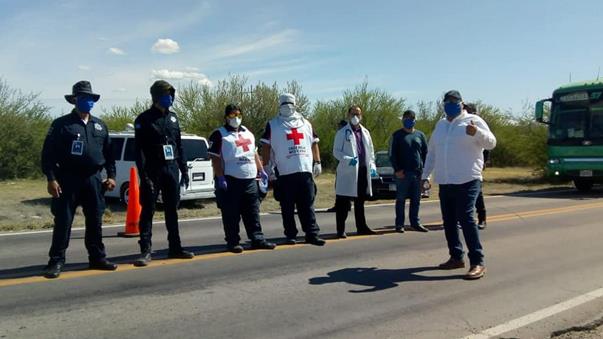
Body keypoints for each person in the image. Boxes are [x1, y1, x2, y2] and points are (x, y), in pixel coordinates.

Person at [41, 81, 118, 278]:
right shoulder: (61, 124)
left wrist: (111, 176)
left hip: (93, 179)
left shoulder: (100, 125)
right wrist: (51, 178)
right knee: (64, 221)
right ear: (75, 100)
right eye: (83, 98)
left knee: (95, 221)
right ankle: (56, 261)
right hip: (67, 179)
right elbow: (48, 154)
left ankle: (97, 258)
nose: (88, 102)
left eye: (90, 98)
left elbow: (110, 155)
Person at [422, 90, 496, 280]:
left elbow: (491, 143)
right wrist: (426, 176)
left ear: (461, 103)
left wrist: (477, 133)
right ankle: (456, 257)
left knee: (466, 218)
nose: (451, 104)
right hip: (446, 181)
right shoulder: (440, 126)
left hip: (468, 179)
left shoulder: (473, 120)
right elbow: (432, 153)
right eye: (447, 101)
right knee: (448, 220)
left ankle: (477, 262)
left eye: (455, 101)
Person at [133, 80, 194, 266]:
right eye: (167, 95)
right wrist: (143, 175)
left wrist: (183, 169)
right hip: (152, 169)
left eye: (172, 95)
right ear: (157, 97)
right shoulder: (143, 119)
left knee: (172, 210)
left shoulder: (174, 118)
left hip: (171, 168)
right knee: (148, 210)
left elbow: (179, 145)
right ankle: (145, 250)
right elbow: (139, 150)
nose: (171, 98)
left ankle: (175, 247)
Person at [208, 104, 277, 253]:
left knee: (252, 211)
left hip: (250, 179)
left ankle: (257, 238)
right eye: (232, 115)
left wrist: (261, 171)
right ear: (226, 117)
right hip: (230, 180)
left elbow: (253, 153)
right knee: (231, 213)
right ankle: (233, 242)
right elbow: (215, 159)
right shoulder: (219, 134)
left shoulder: (248, 133)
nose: (236, 118)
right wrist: (220, 177)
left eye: (239, 115)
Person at [260, 93, 326, 246]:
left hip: (304, 171)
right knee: (287, 206)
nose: (287, 106)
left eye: (290, 103)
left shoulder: (306, 124)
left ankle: (312, 233)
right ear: (279, 105)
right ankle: (290, 234)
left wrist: (317, 162)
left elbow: (314, 143)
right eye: (284, 104)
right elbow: (266, 146)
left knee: (307, 205)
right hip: (284, 172)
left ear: (295, 105)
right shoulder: (273, 124)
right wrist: (267, 167)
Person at [332, 105, 378, 238]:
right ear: (348, 115)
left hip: (363, 170)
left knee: (360, 201)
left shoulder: (365, 132)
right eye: (353, 114)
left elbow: (371, 152)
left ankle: (362, 227)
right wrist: (347, 159)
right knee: (343, 202)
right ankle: (340, 230)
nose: (355, 117)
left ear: (361, 116)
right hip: (348, 171)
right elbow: (336, 151)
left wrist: (372, 166)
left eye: (358, 114)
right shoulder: (342, 132)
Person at [389, 110, 429, 233]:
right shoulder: (397, 135)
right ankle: (399, 224)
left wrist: (425, 172)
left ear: (415, 120)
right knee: (401, 199)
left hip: (417, 173)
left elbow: (426, 154)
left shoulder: (420, 135)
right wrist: (397, 170)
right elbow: (392, 154)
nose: (409, 121)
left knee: (416, 200)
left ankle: (415, 223)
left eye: (411, 118)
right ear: (402, 120)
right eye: (406, 118)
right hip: (403, 173)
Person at [465, 103, 489, 230]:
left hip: (476, 164)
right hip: (464, 164)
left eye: (470, 111)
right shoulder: (462, 123)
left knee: (477, 193)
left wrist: (485, 161)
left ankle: (482, 218)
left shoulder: (479, 123)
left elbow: (486, 145)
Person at [326, 119, 350, 213]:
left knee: (340, 186)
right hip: (344, 164)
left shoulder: (345, 135)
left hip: (345, 164)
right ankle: (346, 204)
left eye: (339, 125)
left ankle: (340, 205)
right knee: (344, 186)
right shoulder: (344, 135)